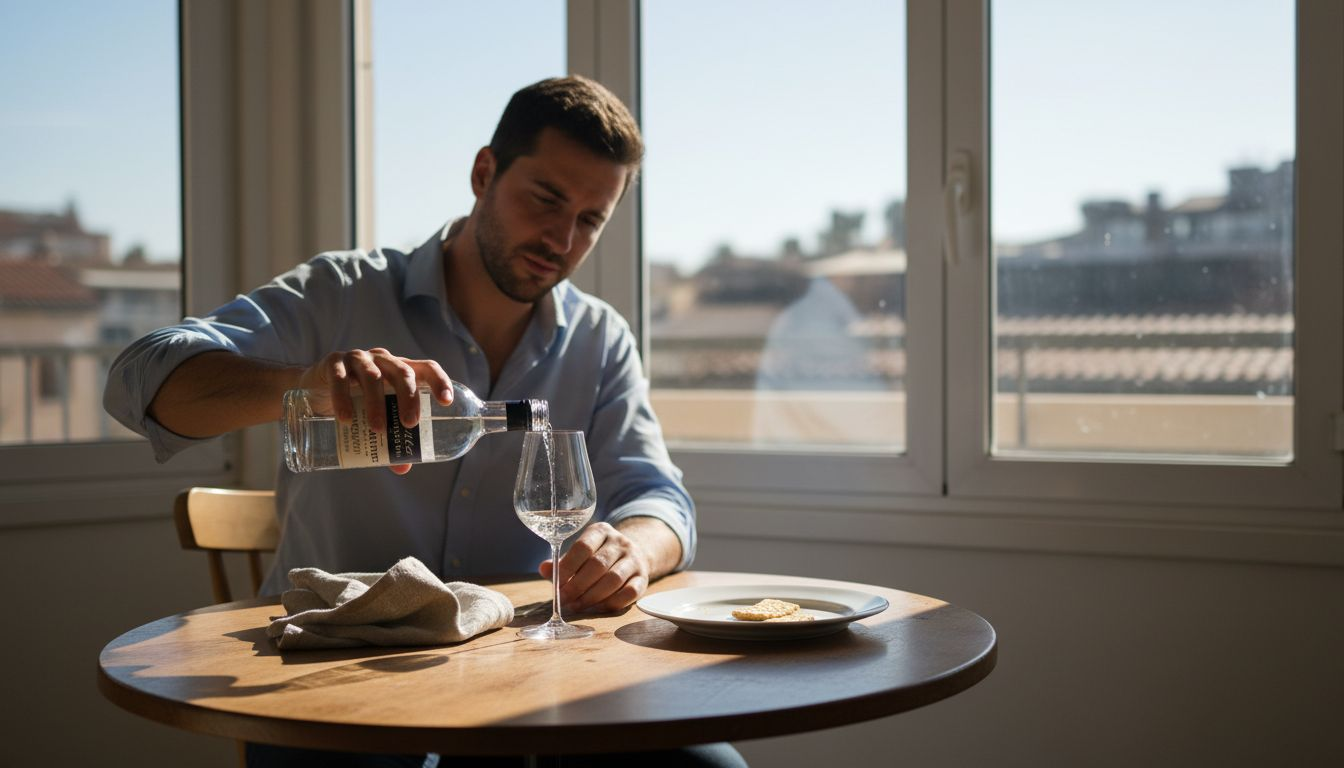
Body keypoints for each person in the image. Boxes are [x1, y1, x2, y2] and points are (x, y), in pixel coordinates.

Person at [104, 76, 746, 768]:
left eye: (591, 219)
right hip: (336, 688)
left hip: (525, 686)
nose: (562, 238)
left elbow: (659, 497)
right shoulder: (339, 295)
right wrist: (302, 386)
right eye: (547, 199)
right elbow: (138, 380)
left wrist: (635, 550)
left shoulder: (601, 340)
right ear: (483, 173)